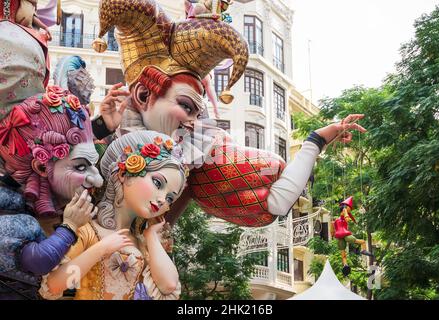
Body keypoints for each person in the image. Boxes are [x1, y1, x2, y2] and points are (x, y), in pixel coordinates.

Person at [93, 0, 367, 228]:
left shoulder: (198, 154)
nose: (192, 122)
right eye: (186, 107)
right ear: (143, 96)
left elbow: (275, 203)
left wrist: (315, 141)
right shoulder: (105, 141)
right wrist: (100, 128)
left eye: (197, 113)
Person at [40, 131, 185, 300]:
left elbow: (169, 287)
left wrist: (151, 236)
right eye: (157, 183)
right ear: (124, 174)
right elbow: (53, 285)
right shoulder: (88, 231)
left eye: (170, 198)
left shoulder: (142, 243)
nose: (162, 200)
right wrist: (101, 248)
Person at [0, 85, 102, 299]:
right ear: (41, 167)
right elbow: (38, 261)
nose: (98, 180)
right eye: (81, 167)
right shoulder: (11, 215)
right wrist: (70, 227)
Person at [331, 196, 374, 276]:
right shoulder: (343, 216)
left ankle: (345, 265)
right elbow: (347, 219)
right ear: (345, 209)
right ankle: (363, 250)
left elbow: (332, 231)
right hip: (346, 235)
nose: (349, 211)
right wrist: (346, 213)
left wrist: (333, 234)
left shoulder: (335, 220)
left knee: (343, 253)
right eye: (349, 209)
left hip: (339, 237)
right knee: (362, 241)